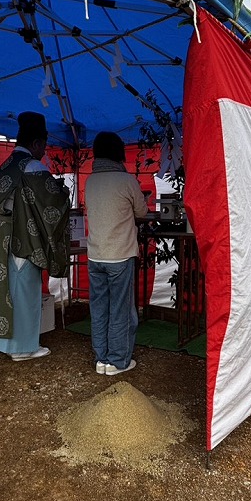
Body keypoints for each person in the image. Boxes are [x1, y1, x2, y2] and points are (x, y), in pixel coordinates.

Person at [0, 112, 70, 360]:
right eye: (44, 146)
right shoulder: (33, 166)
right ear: (37, 143)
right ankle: (22, 348)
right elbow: (54, 203)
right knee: (24, 291)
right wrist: (64, 191)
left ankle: (1, 342)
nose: (45, 151)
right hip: (22, 237)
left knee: (3, 289)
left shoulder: (6, 165)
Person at [84, 131, 149, 376]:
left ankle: (101, 358)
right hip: (120, 255)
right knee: (120, 309)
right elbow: (141, 213)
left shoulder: (91, 181)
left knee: (99, 308)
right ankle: (118, 361)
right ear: (119, 153)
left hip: (95, 255)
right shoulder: (127, 181)